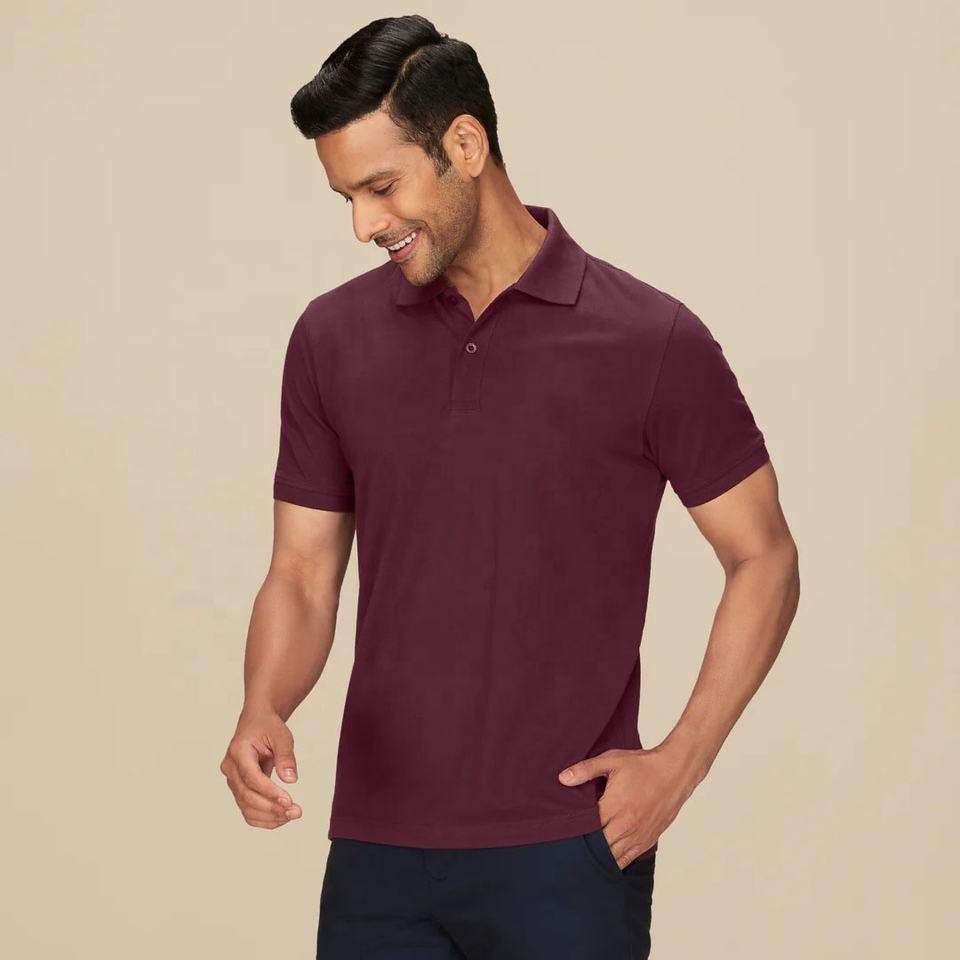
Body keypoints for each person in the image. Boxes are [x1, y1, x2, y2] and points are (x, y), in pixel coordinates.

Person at [219, 14, 800, 960]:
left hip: (566, 850)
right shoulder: (330, 339)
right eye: (346, 197)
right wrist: (263, 704)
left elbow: (763, 556)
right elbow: (301, 574)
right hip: (376, 855)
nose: (364, 225)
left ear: (465, 144)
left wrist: (681, 762)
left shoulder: (650, 340)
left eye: (380, 187)